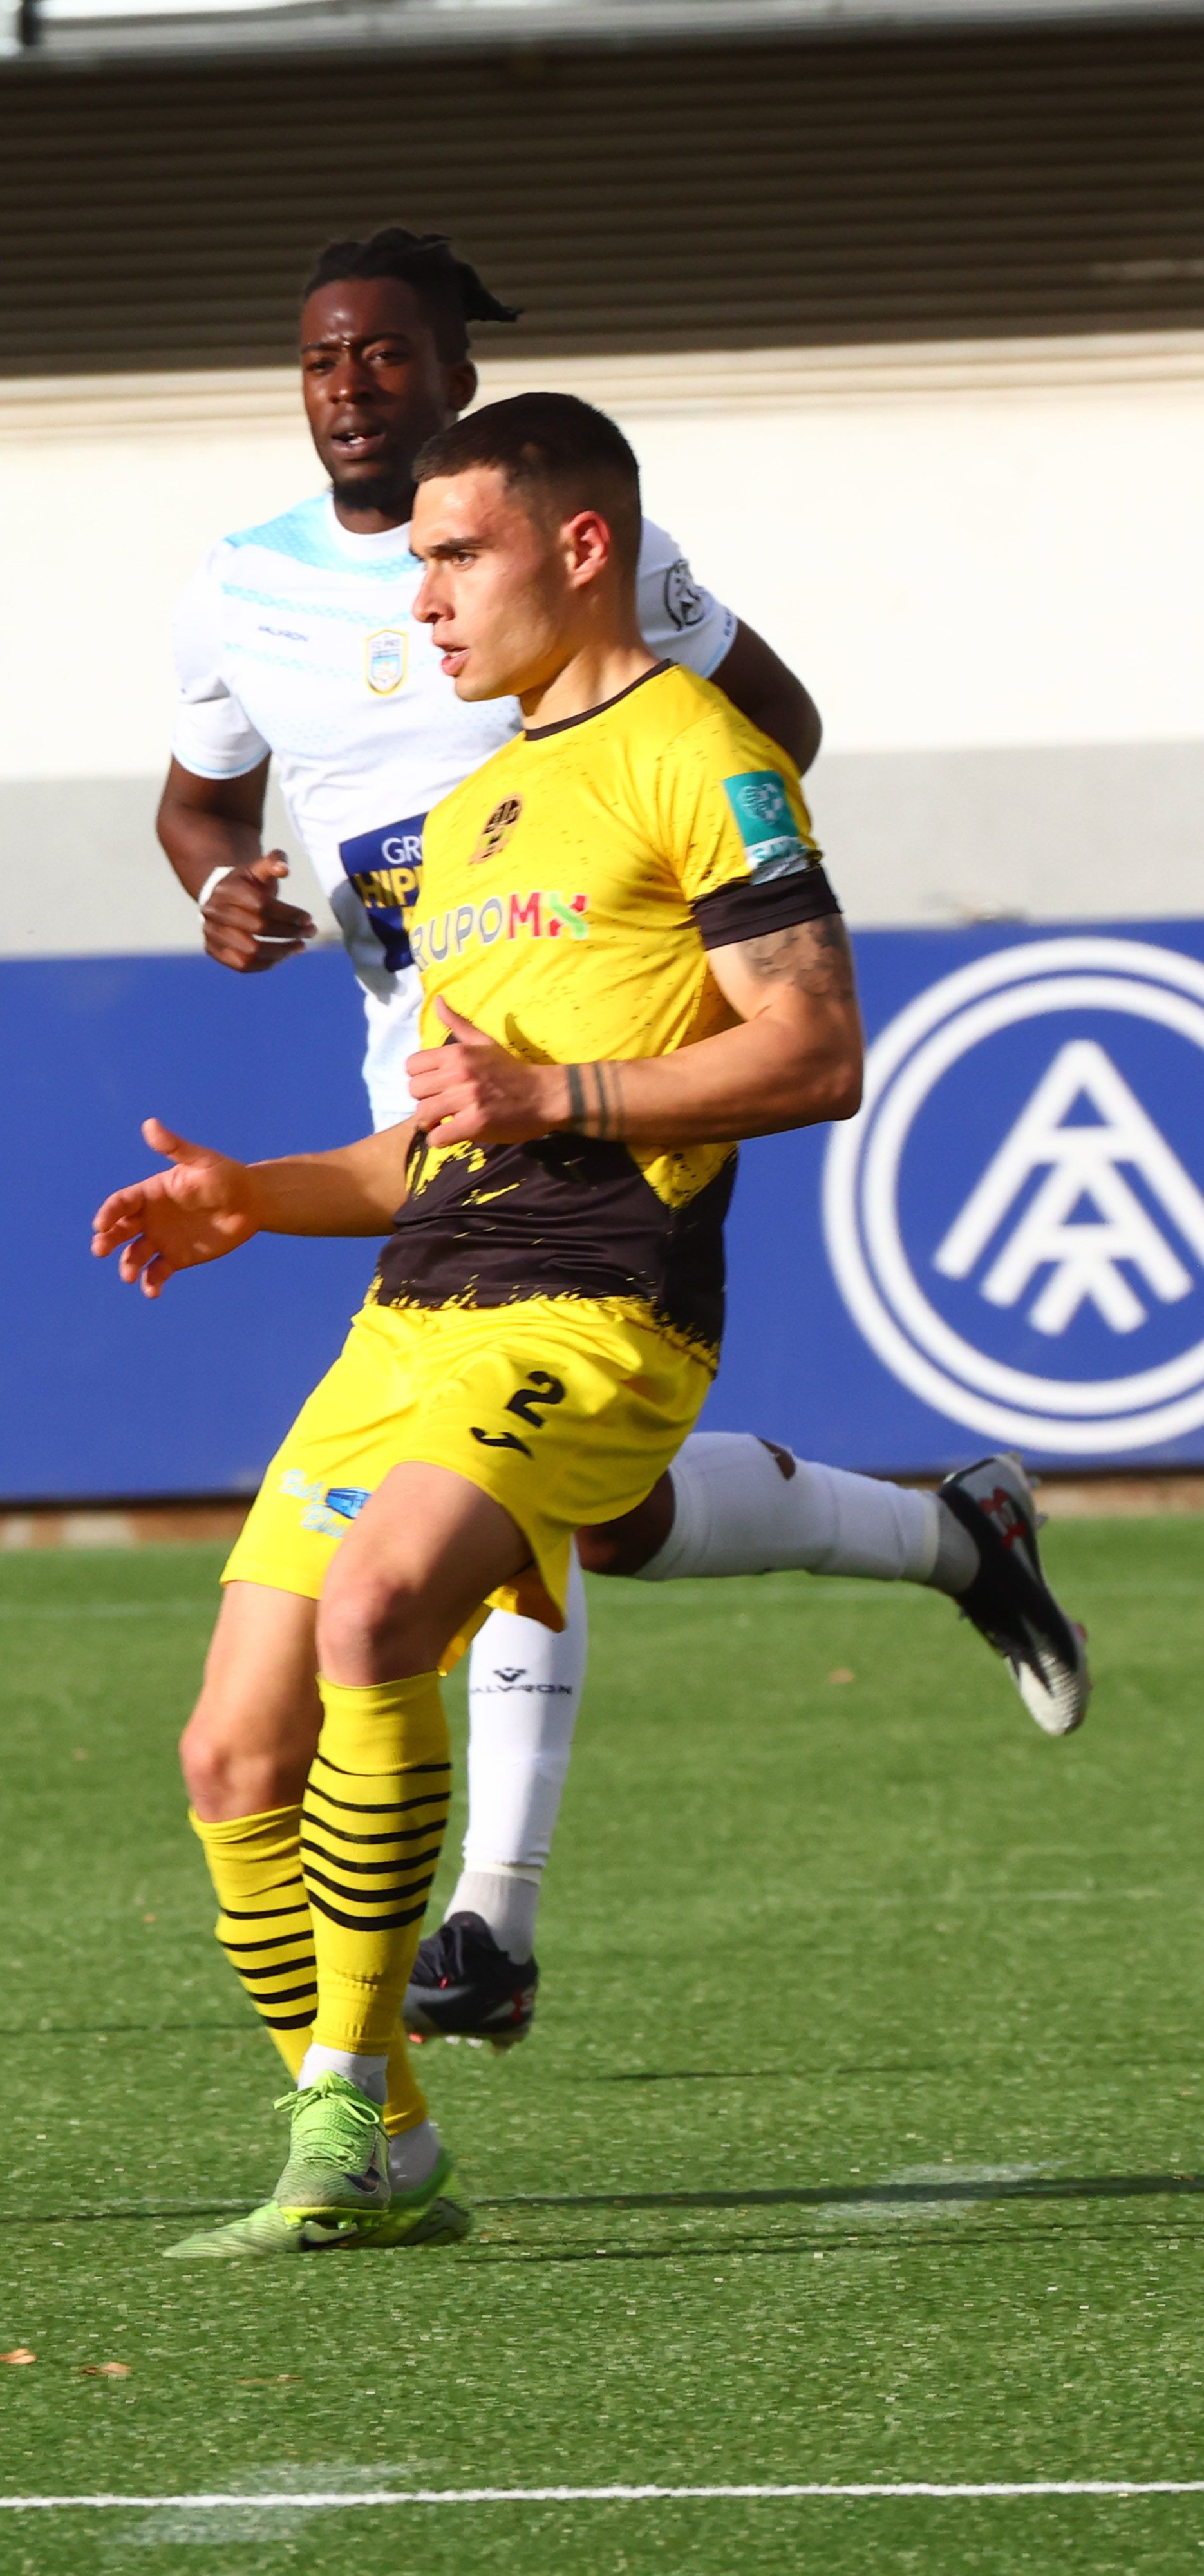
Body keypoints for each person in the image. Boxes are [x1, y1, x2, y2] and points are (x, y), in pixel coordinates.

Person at [156, 230, 1086, 2054]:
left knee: (477, 1496)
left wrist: (635, 909)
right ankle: (949, 1537)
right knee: (612, 1508)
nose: (351, 384)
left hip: (590, 1019)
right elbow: (199, 810)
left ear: (453, 385)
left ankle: (483, 1921)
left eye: (389, 355)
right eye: (323, 357)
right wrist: (234, 894)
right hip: (419, 1047)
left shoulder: (592, 558)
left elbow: (768, 740)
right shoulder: (235, 585)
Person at [97, 392, 885, 2251]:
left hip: (603, 1307)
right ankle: (407, 2154)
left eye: (457, 555)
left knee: (382, 1608)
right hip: (416, 1311)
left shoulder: (711, 754)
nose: (425, 595)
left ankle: (338, 2122)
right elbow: (433, 1139)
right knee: (228, 1757)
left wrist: (570, 1103)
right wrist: (254, 1195)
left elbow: (818, 1048)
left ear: (582, 547)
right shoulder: (465, 817)